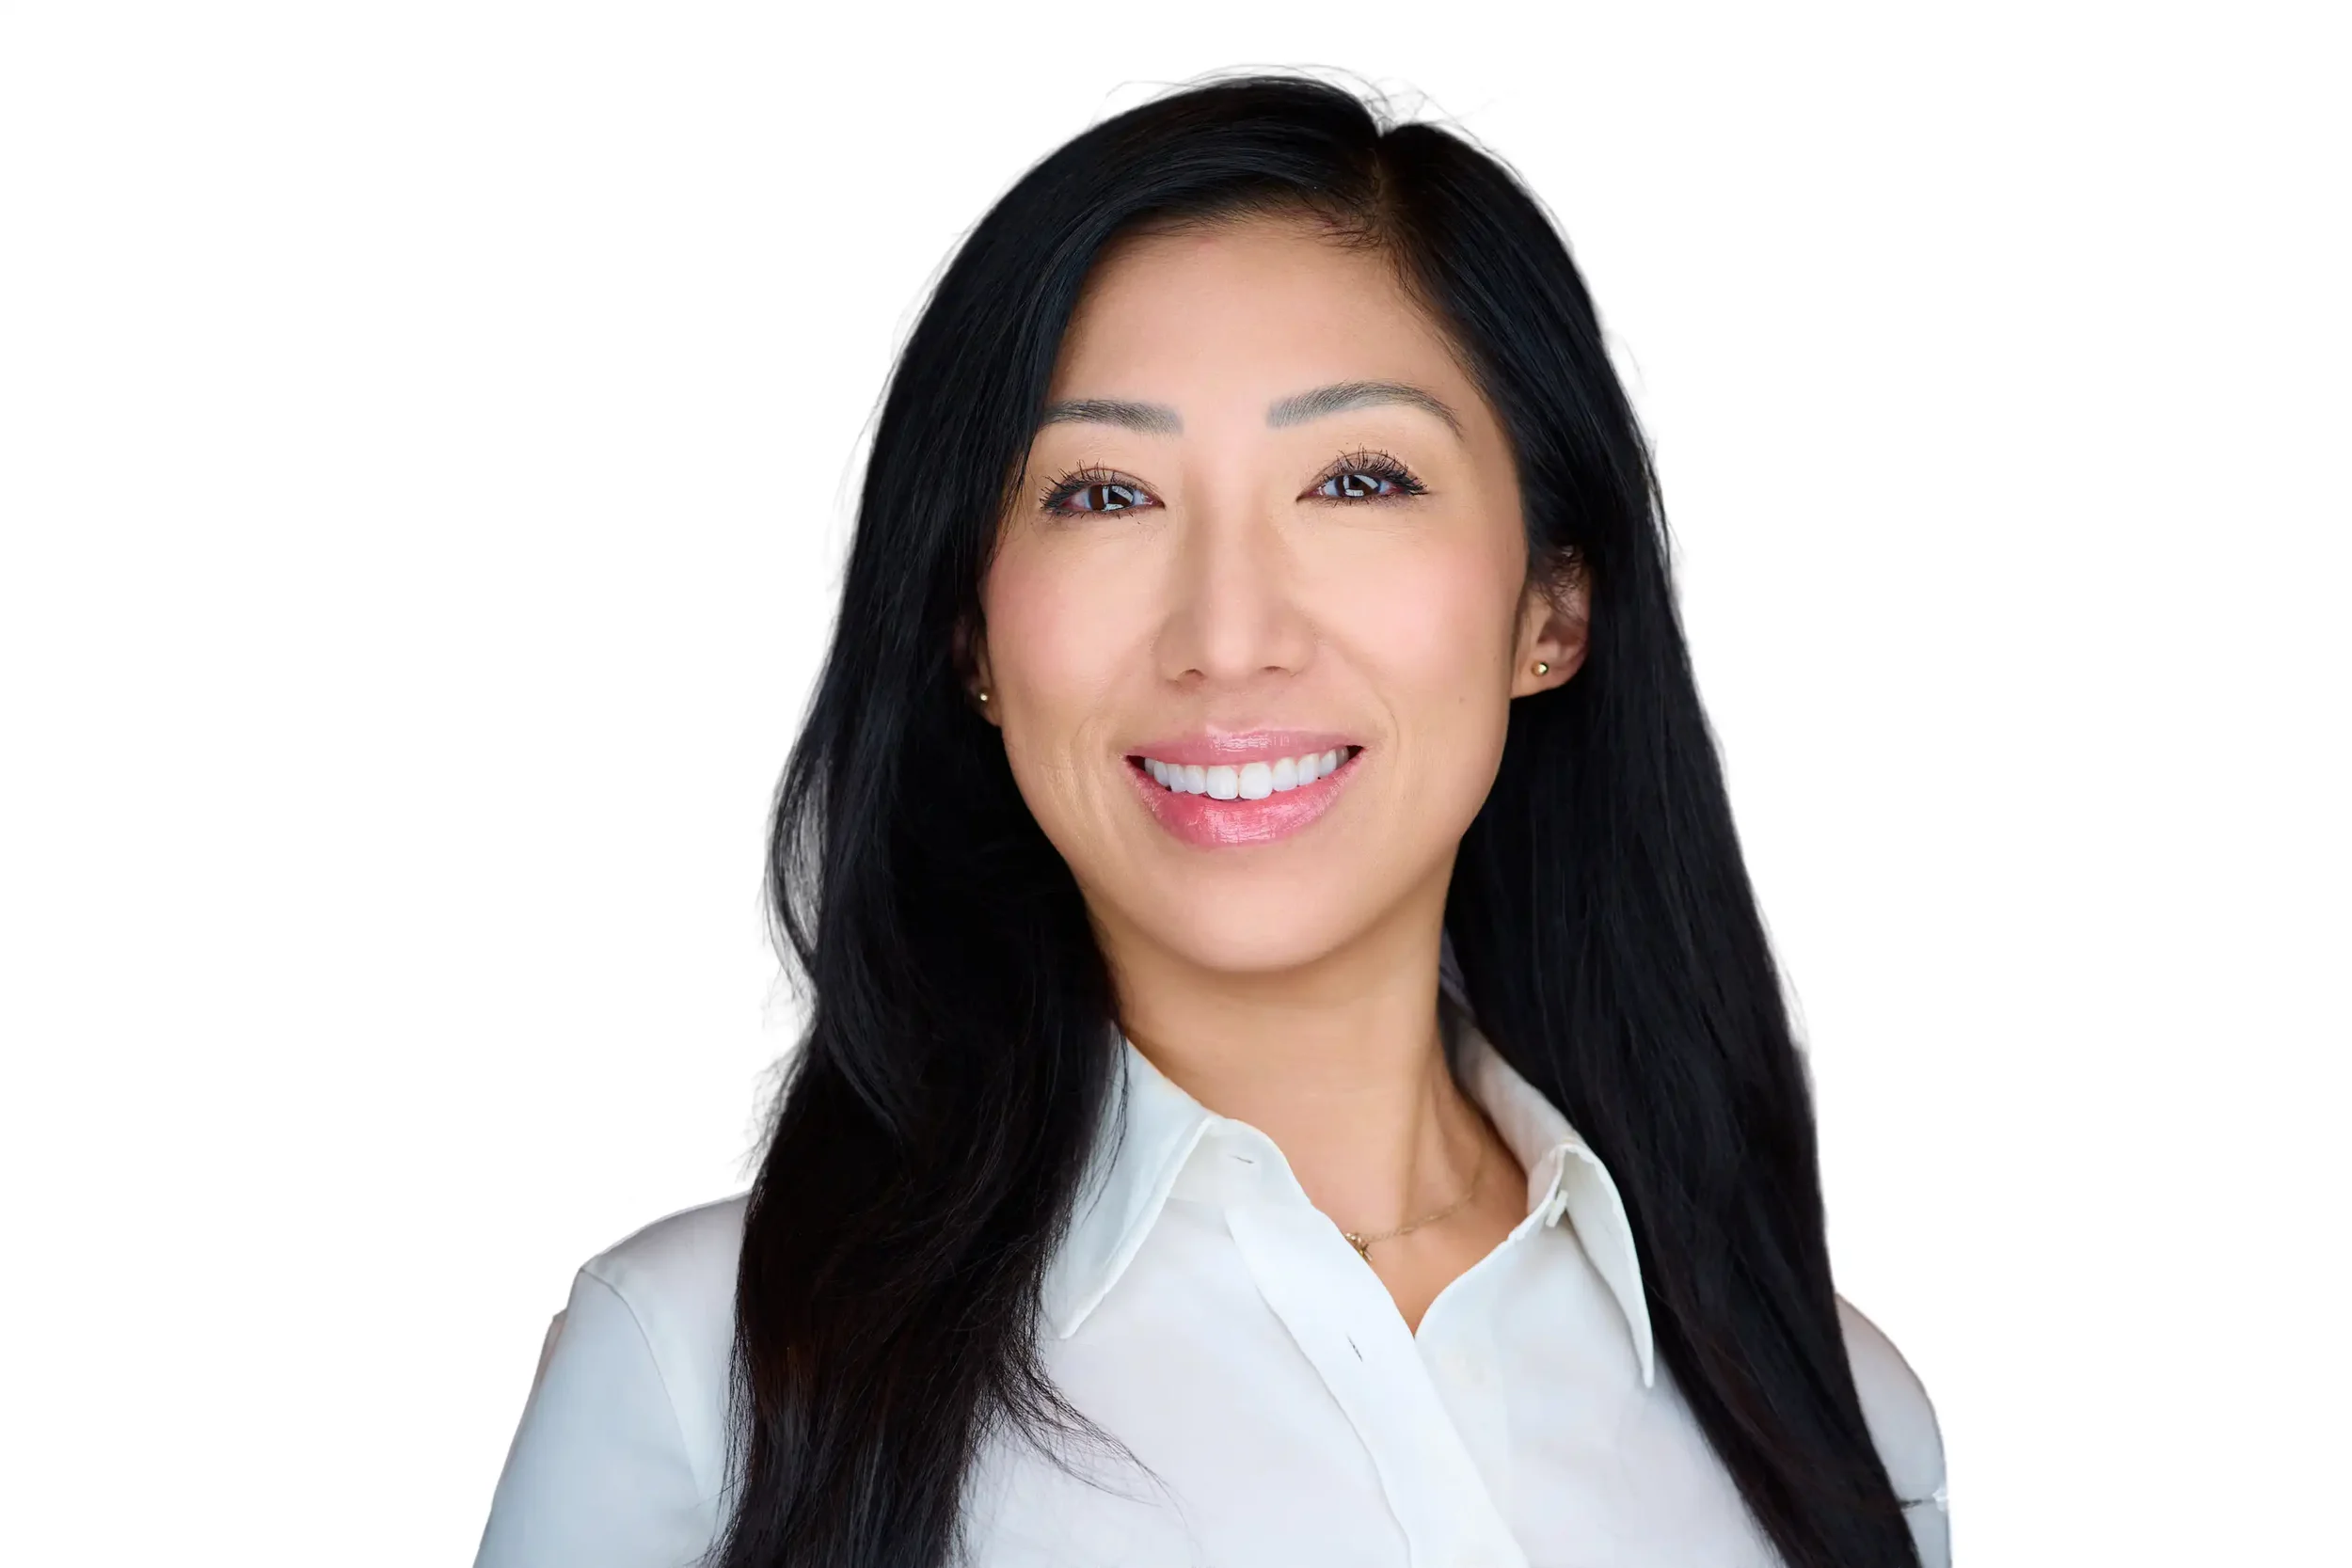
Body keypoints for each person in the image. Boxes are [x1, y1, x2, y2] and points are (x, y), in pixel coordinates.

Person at [472, 71, 1948, 1568]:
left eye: (1359, 479)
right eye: (1105, 495)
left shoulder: (1836, 1421)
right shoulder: (697, 1381)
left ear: (1552, 607)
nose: (1228, 634)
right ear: (973, 640)